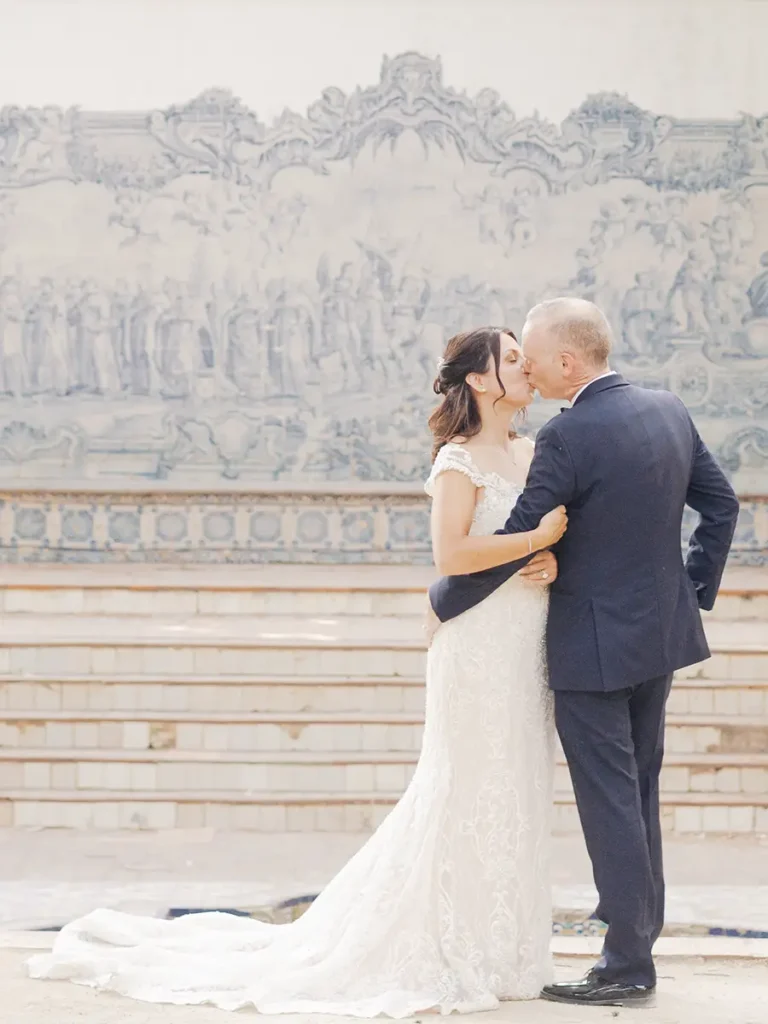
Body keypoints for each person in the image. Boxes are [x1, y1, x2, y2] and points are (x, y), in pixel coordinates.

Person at [26, 327, 567, 1016]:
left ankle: (505, 946)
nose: (526, 368)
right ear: (483, 381)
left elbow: (527, 546)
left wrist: (546, 562)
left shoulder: (533, 450)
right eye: (512, 359)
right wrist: (534, 541)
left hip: (525, 643)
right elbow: (453, 555)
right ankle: (447, 942)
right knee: (464, 787)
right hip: (475, 645)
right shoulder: (459, 460)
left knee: (515, 783)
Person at [429, 298, 740, 1008]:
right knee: (639, 795)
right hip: (660, 639)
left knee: (611, 806)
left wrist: (443, 601)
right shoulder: (668, 409)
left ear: (567, 362)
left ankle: (627, 962)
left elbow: (522, 530)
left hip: (592, 650)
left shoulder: (568, 436)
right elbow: (721, 506)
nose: (529, 368)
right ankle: (639, 943)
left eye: (533, 357)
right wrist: (691, 591)